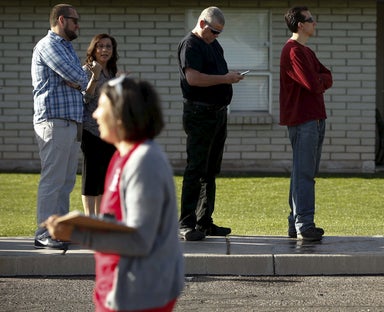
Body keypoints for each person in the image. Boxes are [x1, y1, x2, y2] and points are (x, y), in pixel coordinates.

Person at [43, 76, 185, 311]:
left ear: (121, 115)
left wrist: (78, 233)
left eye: (102, 107)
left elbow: (140, 239)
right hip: (119, 288)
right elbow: (118, 221)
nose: (95, 115)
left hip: (141, 294)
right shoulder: (120, 156)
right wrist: (82, 221)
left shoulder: (144, 161)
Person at [177, 6, 244, 241]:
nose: (216, 36)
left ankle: (205, 221)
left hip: (217, 114)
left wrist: (229, 77)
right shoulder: (191, 44)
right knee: (196, 168)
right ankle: (186, 223)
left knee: (210, 170)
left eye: (220, 33)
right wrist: (225, 79)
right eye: (214, 31)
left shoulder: (213, 44)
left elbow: (217, 74)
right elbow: (193, 78)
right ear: (203, 23)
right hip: (199, 113)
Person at [31, 4, 90, 249]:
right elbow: (80, 77)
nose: (78, 25)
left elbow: (80, 79)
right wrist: (78, 79)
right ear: (62, 20)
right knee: (53, 180)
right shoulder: (49, 45)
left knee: (66, 181)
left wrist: (78, 79)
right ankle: (43, 232)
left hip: (69, 122)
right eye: (75, 21)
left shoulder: (66, 47)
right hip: (53, 122)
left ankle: (60, 230)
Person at [280, 6, 333, 241]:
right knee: (304, 174)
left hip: (316, 118)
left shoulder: (307, 52)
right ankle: (305, 224)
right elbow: (313, 84)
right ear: (300, 24)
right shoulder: (292, 52)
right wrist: (319, 80)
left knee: (303, 172)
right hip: (303, 120)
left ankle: (295, 222)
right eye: (311, 20)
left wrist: (319, 79)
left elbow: (326, 76)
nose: (315, 23)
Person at [80, 33, 118, 216]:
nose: (104, 50)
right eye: (100, 46)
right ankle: (90, 219)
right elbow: (84, 100)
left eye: (108, 46)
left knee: (105, 177)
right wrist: (94, 77)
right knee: (91, 177)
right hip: (91, 130)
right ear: (93, 49)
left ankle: (101, 219)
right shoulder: (86, 70)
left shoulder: (112, 72)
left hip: (109, 132)